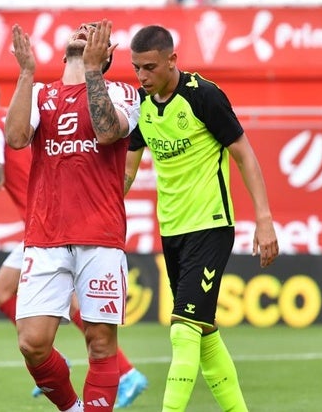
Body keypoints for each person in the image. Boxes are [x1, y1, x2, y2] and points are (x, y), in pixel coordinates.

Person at [0, 74, 148, 408]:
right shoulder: (29, 110)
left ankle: (124, 370)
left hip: (48, 225)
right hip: (48, 226)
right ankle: (114, 369)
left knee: (6, 293)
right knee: (11, 293)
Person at [124, 25, 279, 412]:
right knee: (204, 333)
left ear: (172, 60)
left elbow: (243, 154)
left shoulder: (203, 96)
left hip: (210, 225)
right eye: (136, 68)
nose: (142, 77)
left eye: (149, 67)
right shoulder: (140, 105)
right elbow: (125, 175)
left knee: (183, 330)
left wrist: (264, 218)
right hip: (172, 228)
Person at [4, 20, 141, 412]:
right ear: (64, 48)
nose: (84, 30)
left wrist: (95, 72)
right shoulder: (42, 94)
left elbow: (106, 132)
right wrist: (26, 74)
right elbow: (15, 139)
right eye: (79, 28)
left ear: (109, 53)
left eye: (94, 32)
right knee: (32, 342)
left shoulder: (123, 92)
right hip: (45, 236)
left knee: (100, 342)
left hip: (99, 234)